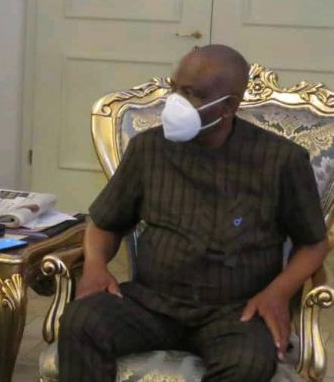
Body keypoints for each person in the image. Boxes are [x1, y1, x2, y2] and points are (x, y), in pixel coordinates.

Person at [58, 45, 330, 382]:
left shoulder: (281, 160)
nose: (176, 102)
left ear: (229, 106)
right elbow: (105, 222)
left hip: (235, 312)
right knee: (81, 322)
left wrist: (278, 293)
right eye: (175, 89)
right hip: (151, 303)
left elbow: (313, 243)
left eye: (192, 94)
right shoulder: (149, 148)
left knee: (247, 364)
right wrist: (96, 266)